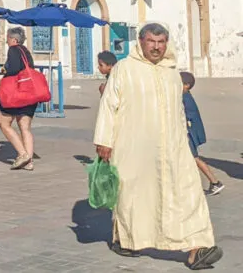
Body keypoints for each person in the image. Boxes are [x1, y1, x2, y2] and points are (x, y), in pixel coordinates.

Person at [95, 23, 221, 268]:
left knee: (187, 192)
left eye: (161, 42)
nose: (156, 47)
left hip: (174, 148)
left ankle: (198, 247)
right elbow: (109, 106)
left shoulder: (171, 72)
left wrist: (185, 142)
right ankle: (126, 239)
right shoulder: (124, 69)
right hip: (133, 147)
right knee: (133, 196)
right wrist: (104, 141)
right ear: (140, 42)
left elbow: (178, 111)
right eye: (151, 41)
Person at [0, 28, 37, 170]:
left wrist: (5, 70)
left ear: (14, 39)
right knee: (25, 127)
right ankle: (29, 162)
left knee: (3, 123)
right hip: (29, 93)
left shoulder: (13, 50)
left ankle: (23, 154)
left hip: (15, 94)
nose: (6, 40)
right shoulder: (26, 51)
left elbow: (13, 69)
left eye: (7, 38)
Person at [181, 72, 224, 196]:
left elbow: (188, 117)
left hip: (188, 135)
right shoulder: (185, 95)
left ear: (186, 85)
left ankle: (215, 182)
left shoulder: (185, 97)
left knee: (195, 159)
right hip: (189, 133)